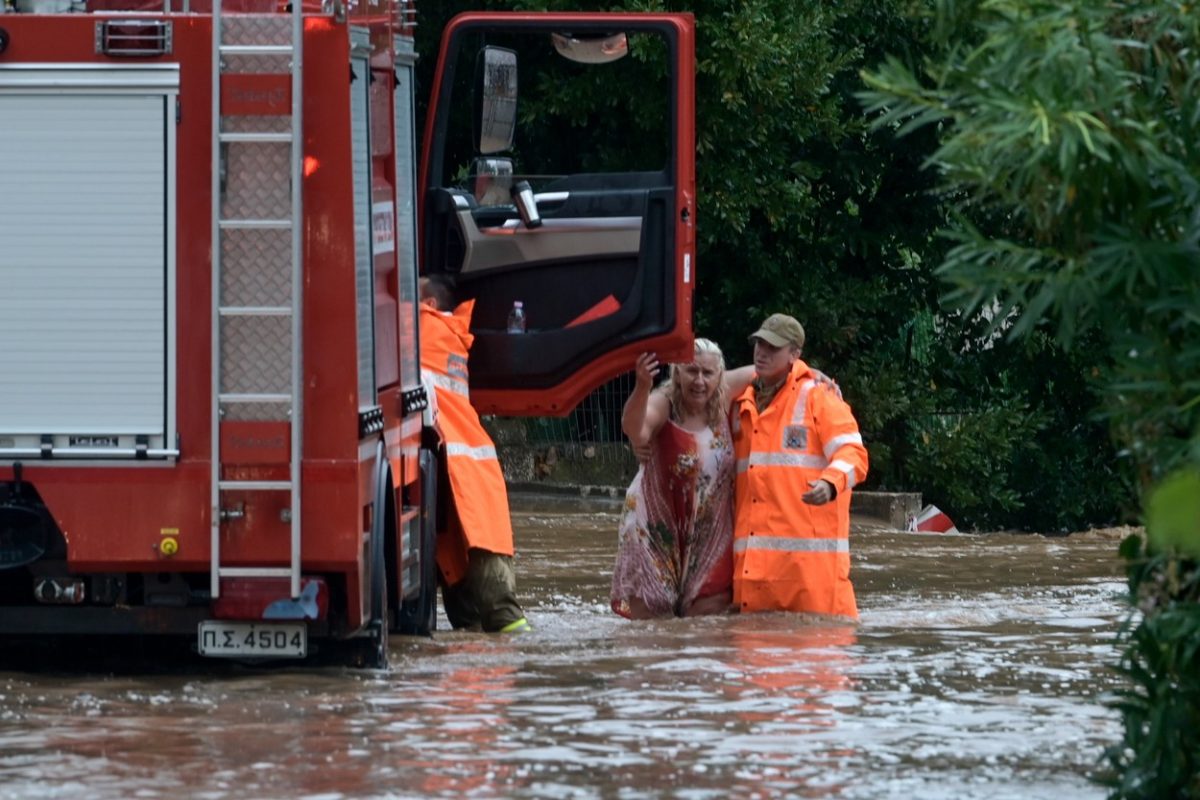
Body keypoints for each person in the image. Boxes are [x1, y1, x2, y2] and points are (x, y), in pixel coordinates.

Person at [730, 313, 869, 619]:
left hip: (812, 585)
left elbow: (853, 454)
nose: (761, 352)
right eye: (759, 344)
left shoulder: (819, 397)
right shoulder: (742, 403)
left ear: (795, 354)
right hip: (754, 581)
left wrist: (830, 482)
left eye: (773, 347)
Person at [419, 275, 530, 633]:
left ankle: (505, 666)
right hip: (466, 472)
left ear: (429, 306)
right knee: (475, 609)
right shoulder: (449, 334)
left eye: (411, 294)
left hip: (460, 469)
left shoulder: (427, 327)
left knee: (495, 611)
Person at [611, 338, 740, 618]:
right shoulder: (664, 402)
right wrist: (643, 386)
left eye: (708, 373)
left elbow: (769, 368)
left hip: (709, 532)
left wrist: (815, 377)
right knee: (654, 622)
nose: (700, 381)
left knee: (708, 617)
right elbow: (636, 430)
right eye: (692, 371)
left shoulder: (725, 398)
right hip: (654, 525)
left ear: (720, 375)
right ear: (677, 373)